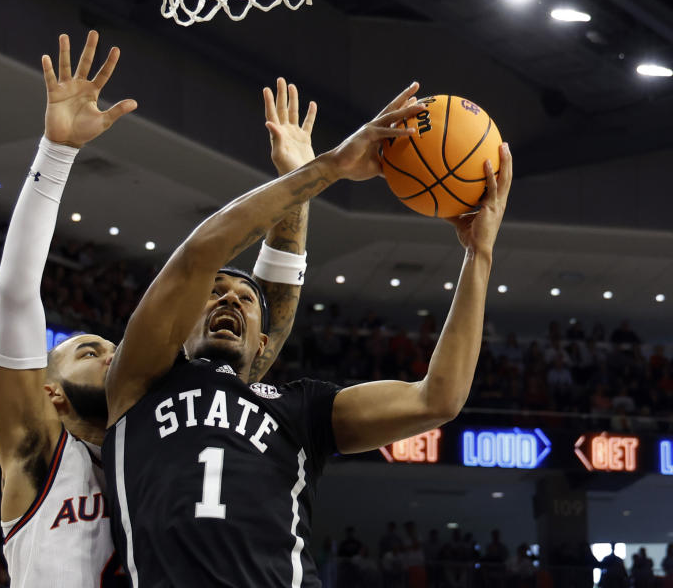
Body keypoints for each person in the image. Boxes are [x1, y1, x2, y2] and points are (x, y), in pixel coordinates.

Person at [102, 81, 513, 586]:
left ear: (266, 344)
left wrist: (479, 255)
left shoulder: (299, 409)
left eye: (247, 298)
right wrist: (327, 169)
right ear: (177, 325)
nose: (230, 297)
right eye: (214, 292)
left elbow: (439, 399)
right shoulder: (139, 380)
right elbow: (199, 255)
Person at [0, 31, 310, 588]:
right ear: (51, 391)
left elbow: (260, 328)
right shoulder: (37, 452)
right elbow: (16, 294)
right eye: (89, 351)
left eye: (111, 346)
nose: (113, 354)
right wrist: (57, 152)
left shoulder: (161, 439)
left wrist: (296, 185)